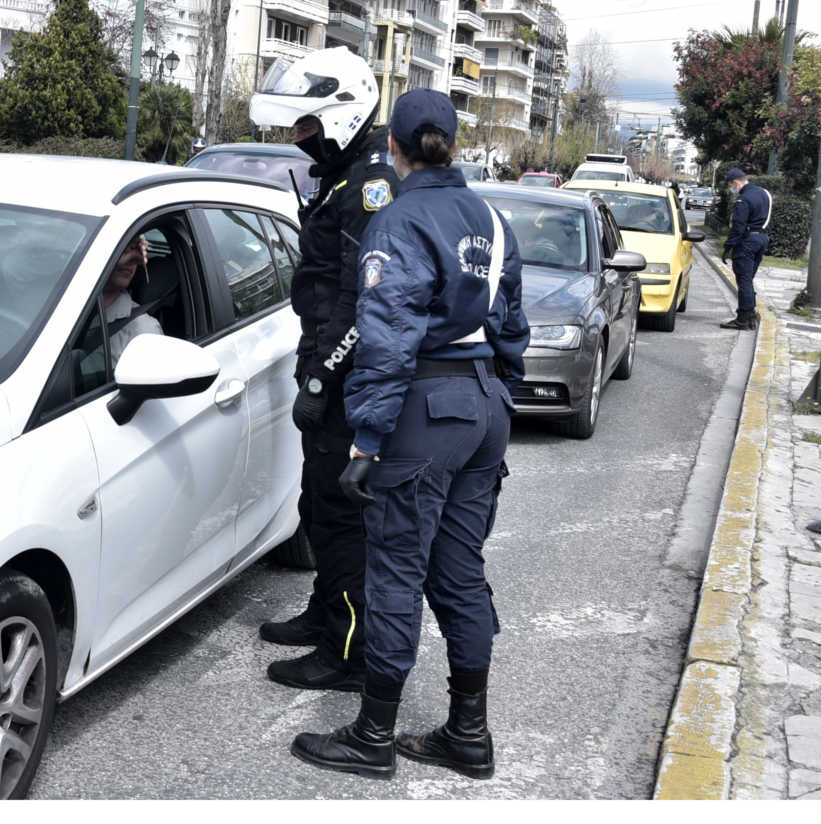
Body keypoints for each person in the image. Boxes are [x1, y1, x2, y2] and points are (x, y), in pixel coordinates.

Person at [288, 89, 530, 780]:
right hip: (484, 406)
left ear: (393, 147)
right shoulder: (492, 217)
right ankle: (468, 734)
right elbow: (514, 327)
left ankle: (372, 736)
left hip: (427, 406)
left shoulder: (398, 220)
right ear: (451, 144)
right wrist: (496, 399)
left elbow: (388, 340)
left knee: (394, 568)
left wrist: (366, 439)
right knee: (460, 573)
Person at [249, 47, 399, 691]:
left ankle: (347, 652)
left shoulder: (369, 187)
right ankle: (324, 614)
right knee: (318, 504)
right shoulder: (341, 180)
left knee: (341, 516)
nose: (299, 137)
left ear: (343, 115)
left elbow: (361, 299)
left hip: (345, 381)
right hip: (327, 371)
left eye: (307, 125)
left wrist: (321, 379)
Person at [720, 168, 772, 330]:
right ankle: (750, 317)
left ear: (735, 182)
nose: (732, 189)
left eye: (731, 185)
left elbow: (738, 226)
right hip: (762, 239)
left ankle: (744, 318)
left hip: (747, 242)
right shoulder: (765, 194)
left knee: (744, 280)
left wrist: (728, 246)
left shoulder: (744, 199)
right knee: (748, 279)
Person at [103, 235, 161, 367]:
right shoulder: (65, 306)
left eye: (136, 250)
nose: (130, 261)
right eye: (122, 250)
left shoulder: (143, 331)